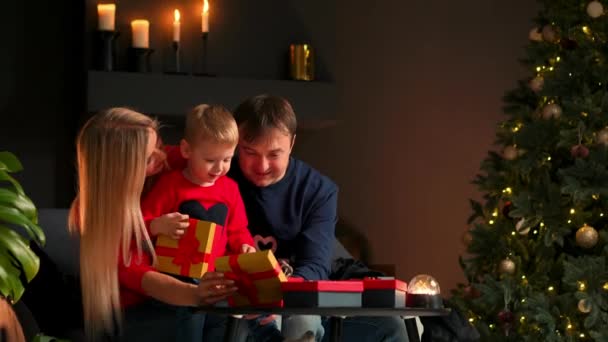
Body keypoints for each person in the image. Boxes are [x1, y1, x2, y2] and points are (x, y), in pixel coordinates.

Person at [221, 94, 410, 341]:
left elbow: (316, 264)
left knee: (389, 326)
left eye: (274, 154)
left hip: (299, 296)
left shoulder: (318, 190)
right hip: (239, 300)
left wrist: (283, 296)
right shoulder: (220, 177)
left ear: (292, 144)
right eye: (250, 152)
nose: (262, 165)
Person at [68, 108, 238, 341]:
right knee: (197, 312)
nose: (162, 155)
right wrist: (196, 294)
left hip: (170, 298)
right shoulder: (100, 222)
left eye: (159, 143)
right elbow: (147, 281)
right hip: (135, 313)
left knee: (224, 312)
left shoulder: (163, 161)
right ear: (122, 170)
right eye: (149, 158)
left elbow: (207, 147)